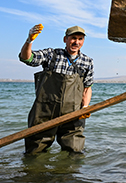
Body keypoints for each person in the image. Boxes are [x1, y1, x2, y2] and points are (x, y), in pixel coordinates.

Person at [19, 25, 94, 154]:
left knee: (74, 152)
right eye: (73, 38)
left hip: (73, 114)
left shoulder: (87, 62)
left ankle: (65, 174)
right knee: (34, 151)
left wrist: (85, 107)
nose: (76, 42)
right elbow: (27, 58)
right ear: (65, 39)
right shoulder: (51, 55)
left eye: (80, 39)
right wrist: (29, 40)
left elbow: (87, 87)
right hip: (44, 113)